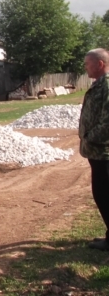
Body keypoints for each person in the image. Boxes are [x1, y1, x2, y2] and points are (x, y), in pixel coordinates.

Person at [79, 48, 109, 250]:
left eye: (88, 63)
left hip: (104, 151)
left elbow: (107, 122)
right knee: (102, 194)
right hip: (98, 152)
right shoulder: (99, 85)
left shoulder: (107, 86)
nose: (85, 67)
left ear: (99, 64)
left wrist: (90, 138)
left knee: (104, 194)